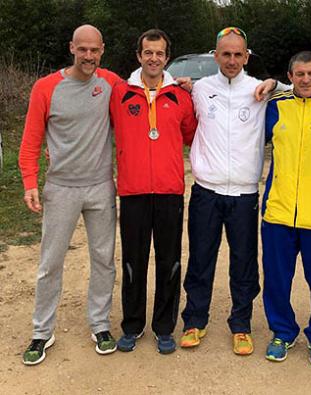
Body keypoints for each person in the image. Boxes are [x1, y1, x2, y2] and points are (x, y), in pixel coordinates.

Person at [18, 25, 121, 365]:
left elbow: (146, 86)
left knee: (104, 259)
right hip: (61, 188)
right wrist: (30, 181)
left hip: (100, 185)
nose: (88, 56)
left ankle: (100, 324)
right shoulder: (47, 87)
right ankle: (41, 332)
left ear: (102, 49)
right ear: (72, 48)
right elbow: (31, 139)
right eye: (82, 50)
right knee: (50, 263)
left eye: (94, 50)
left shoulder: (111, 83)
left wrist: (183, 85)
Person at [180, 27, 280, 356]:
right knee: (200, 258)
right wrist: (184, 86)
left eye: (239, 54)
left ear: (247, 57)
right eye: (226, 54)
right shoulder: (200, 89)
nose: (232, 60)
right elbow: (149, 78)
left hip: (244, 194)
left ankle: (241, 325)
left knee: (244, 262)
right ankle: (195, 320)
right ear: (216, 56)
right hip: (206, 191)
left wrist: (276, 83)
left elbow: (302, 87)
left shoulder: (260, 90)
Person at [109, 29, 197, 354]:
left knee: (169, 260)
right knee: (133, 261)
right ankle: (131, 326)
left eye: (159, 53)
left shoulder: (181, 97)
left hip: (169, 192)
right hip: (132, 192)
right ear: (139, 56)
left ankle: (164, 327)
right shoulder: (119, 94)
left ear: (167, 57)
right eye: (148, 52)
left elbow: (192, 135)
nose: (154, 58)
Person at [261, 51, 311, 367]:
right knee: (277, 279)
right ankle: (282, 331)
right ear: (290, 76)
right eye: (299, 74)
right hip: (278, 211)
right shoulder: (275, 108)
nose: (305, 79)